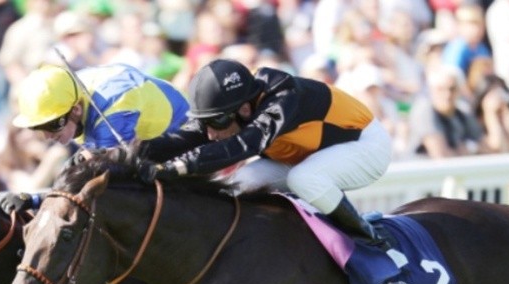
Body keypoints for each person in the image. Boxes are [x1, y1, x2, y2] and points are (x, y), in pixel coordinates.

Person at [139, 58, 393, 249]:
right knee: (235, 186)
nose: (210, 134)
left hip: (366, 146)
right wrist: (129, 154)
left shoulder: (283, 95)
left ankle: (366, 237)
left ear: (245, 109)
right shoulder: (231, 104)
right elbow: (183, 139)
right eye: (205, 123)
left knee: (303, 179)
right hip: (304, 156)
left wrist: (176, 167)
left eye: (216, 122)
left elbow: (244, 145)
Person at [0, 63, 190, 212]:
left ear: (76, 110)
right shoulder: (67, 95)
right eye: (38, 127)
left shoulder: (113, 108)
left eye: (52, 124)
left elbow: (101, 179)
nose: (47, 136)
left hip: (181, 136)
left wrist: (36, 200)